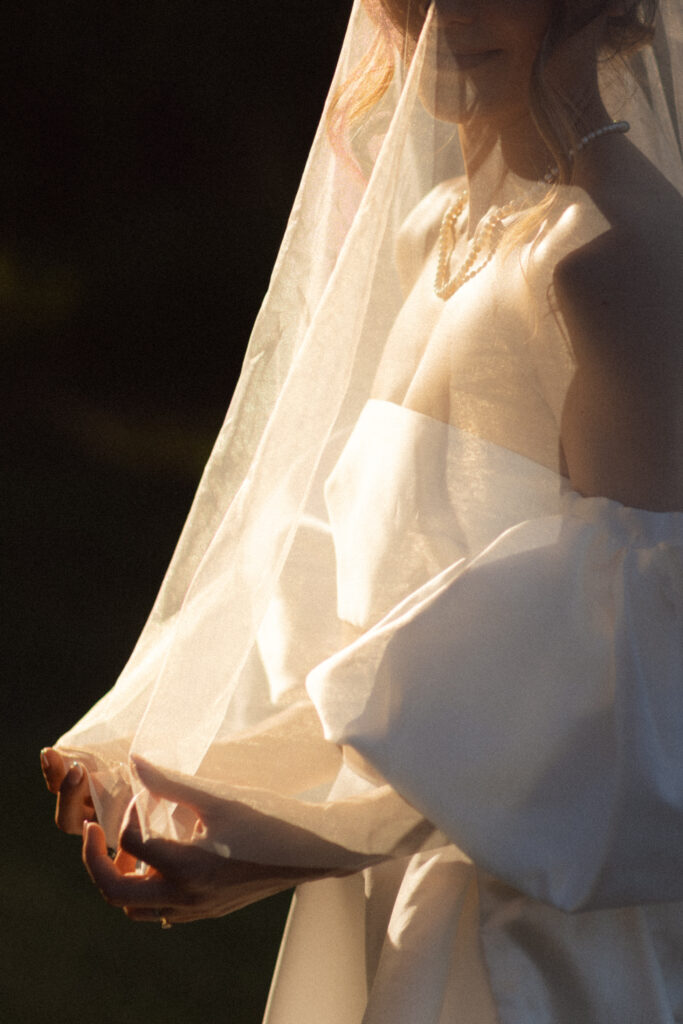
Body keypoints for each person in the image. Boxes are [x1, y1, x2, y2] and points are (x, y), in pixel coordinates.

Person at [42, 1, 683, 1021]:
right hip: (397, 907)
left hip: (548, 952)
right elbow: (374, 615)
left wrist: (307, 843)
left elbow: (640, 693)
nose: (446, 10)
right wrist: (176, 771)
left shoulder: (617, 256)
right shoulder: (435, 234)